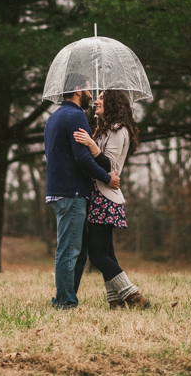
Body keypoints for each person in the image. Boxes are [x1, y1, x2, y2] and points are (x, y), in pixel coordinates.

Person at [44, 73, 120, 309]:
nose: (92, 95)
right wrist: (108, 178)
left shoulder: (54, 117)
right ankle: (65, 301)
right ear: (77, 90)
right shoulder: (76, 116)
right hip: (72, 193)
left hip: (59, 191)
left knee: (79, 250)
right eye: (89, 89)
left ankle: (65, 296)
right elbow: (83, 160)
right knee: (70, 249)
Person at [73, 90, 151, 309]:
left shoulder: (118, 130)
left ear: (113, 104)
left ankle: (134, 296)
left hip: (105, 197)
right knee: (106, 252)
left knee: (97, 255)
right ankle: (115, 299)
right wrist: (95, 137)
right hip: (99, 194)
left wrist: (91, 144)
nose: (96, 100)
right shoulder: (107, 130)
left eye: (102, 98)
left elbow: (110, 166)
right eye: (96, 97)